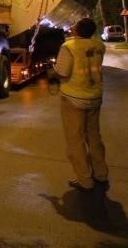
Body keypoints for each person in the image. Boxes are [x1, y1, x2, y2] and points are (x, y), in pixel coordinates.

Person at [47, 17, 109, 192]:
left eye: (75, 25)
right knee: (94, 138)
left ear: (78, 30)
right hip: (95, 97)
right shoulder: (99, 46)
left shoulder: (69, 47)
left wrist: (52, 73)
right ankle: (101, 174)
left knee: (76, 141)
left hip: (74, 99)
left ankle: (85, 180)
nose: (72, 27)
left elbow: (62, 71)